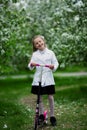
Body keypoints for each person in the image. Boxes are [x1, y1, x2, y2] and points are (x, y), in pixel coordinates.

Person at [28, 35, 59, 126]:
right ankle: (41, 115)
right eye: (36, 43)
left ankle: (52, 116)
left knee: (50, 96)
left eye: (40, 41)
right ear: (35, 46)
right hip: (38, 78)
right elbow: (30, 65)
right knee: (39, 97)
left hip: (48, 77)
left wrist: (53, 66)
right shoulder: (35, 54)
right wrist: (32, 65)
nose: (39, 44)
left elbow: (56, 62)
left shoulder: (50, 53)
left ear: (43, 41)